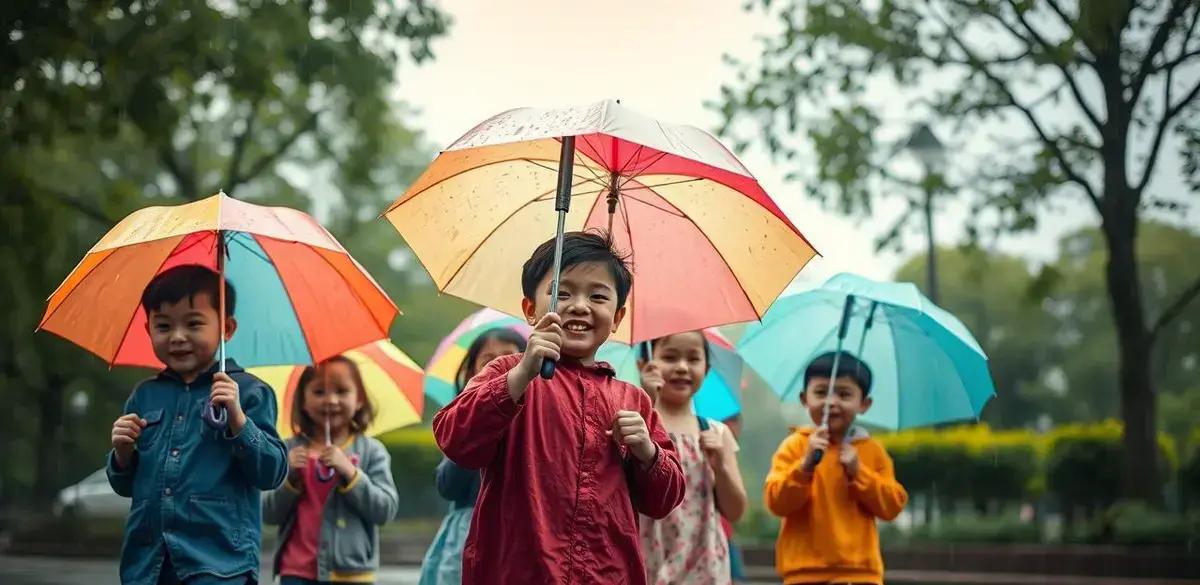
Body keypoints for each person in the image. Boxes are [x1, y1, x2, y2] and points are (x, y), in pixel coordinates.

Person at [432, 230, 686, 584]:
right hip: (518, 572)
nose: (579, 305)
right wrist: (521, 375)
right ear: (531, 309)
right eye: (561, 293)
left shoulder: (634, 401)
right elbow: (455, 439)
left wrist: (648, 453)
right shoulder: (508, 373)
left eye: (598, 296)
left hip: (608, 575)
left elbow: (665, 499)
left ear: (616, 316)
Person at [107, 264, 288, 585]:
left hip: (220, 565)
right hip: (148, 564)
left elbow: (271, 473)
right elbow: (126, 486)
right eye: (163, 326)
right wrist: (122, 453)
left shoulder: (249, 392)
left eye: (193, 323)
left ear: (227, 328)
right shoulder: (144, 396)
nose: (177, 337)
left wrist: (238, 419)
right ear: (148, 330)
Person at [763, 351, 908, 585]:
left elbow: (892, 506)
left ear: (864, 404)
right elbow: (776, 502)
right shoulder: (795, 446)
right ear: (804, 398)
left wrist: (859, 471)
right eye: (821, 392)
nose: (831, 402)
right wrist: (805, 466)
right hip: (804, 574)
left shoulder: (871, 451)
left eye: (844, 394)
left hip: (860, 574)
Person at [263, 355, 400, 584]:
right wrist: (290, 479)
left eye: (342, 391)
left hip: (351, 573)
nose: (330, 400)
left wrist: (351, 473)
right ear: (303, 402)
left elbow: (385, 509)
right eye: (319, 392)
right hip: (295, 572)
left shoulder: (371, 451)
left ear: (359, 400)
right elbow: (268, 513)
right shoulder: (289, 450)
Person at [419, 328, 527, 585]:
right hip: (468, 536)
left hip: (517, 533)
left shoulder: (532, 425)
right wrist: (475, 431)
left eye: (509, 358)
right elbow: (448, 486)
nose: (500, 366)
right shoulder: (462, 426)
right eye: (489, 360)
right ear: (470, 375)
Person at [637, 332, 748, 584]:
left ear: (706, 369)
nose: (682, 367)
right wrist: (645, 408)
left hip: (704, 565)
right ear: (644, 365)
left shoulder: (716, 433)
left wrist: (720, 466)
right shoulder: (637, 425)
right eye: (669, 357)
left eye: (693, 358)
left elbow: (735, 510)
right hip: (648, 560)